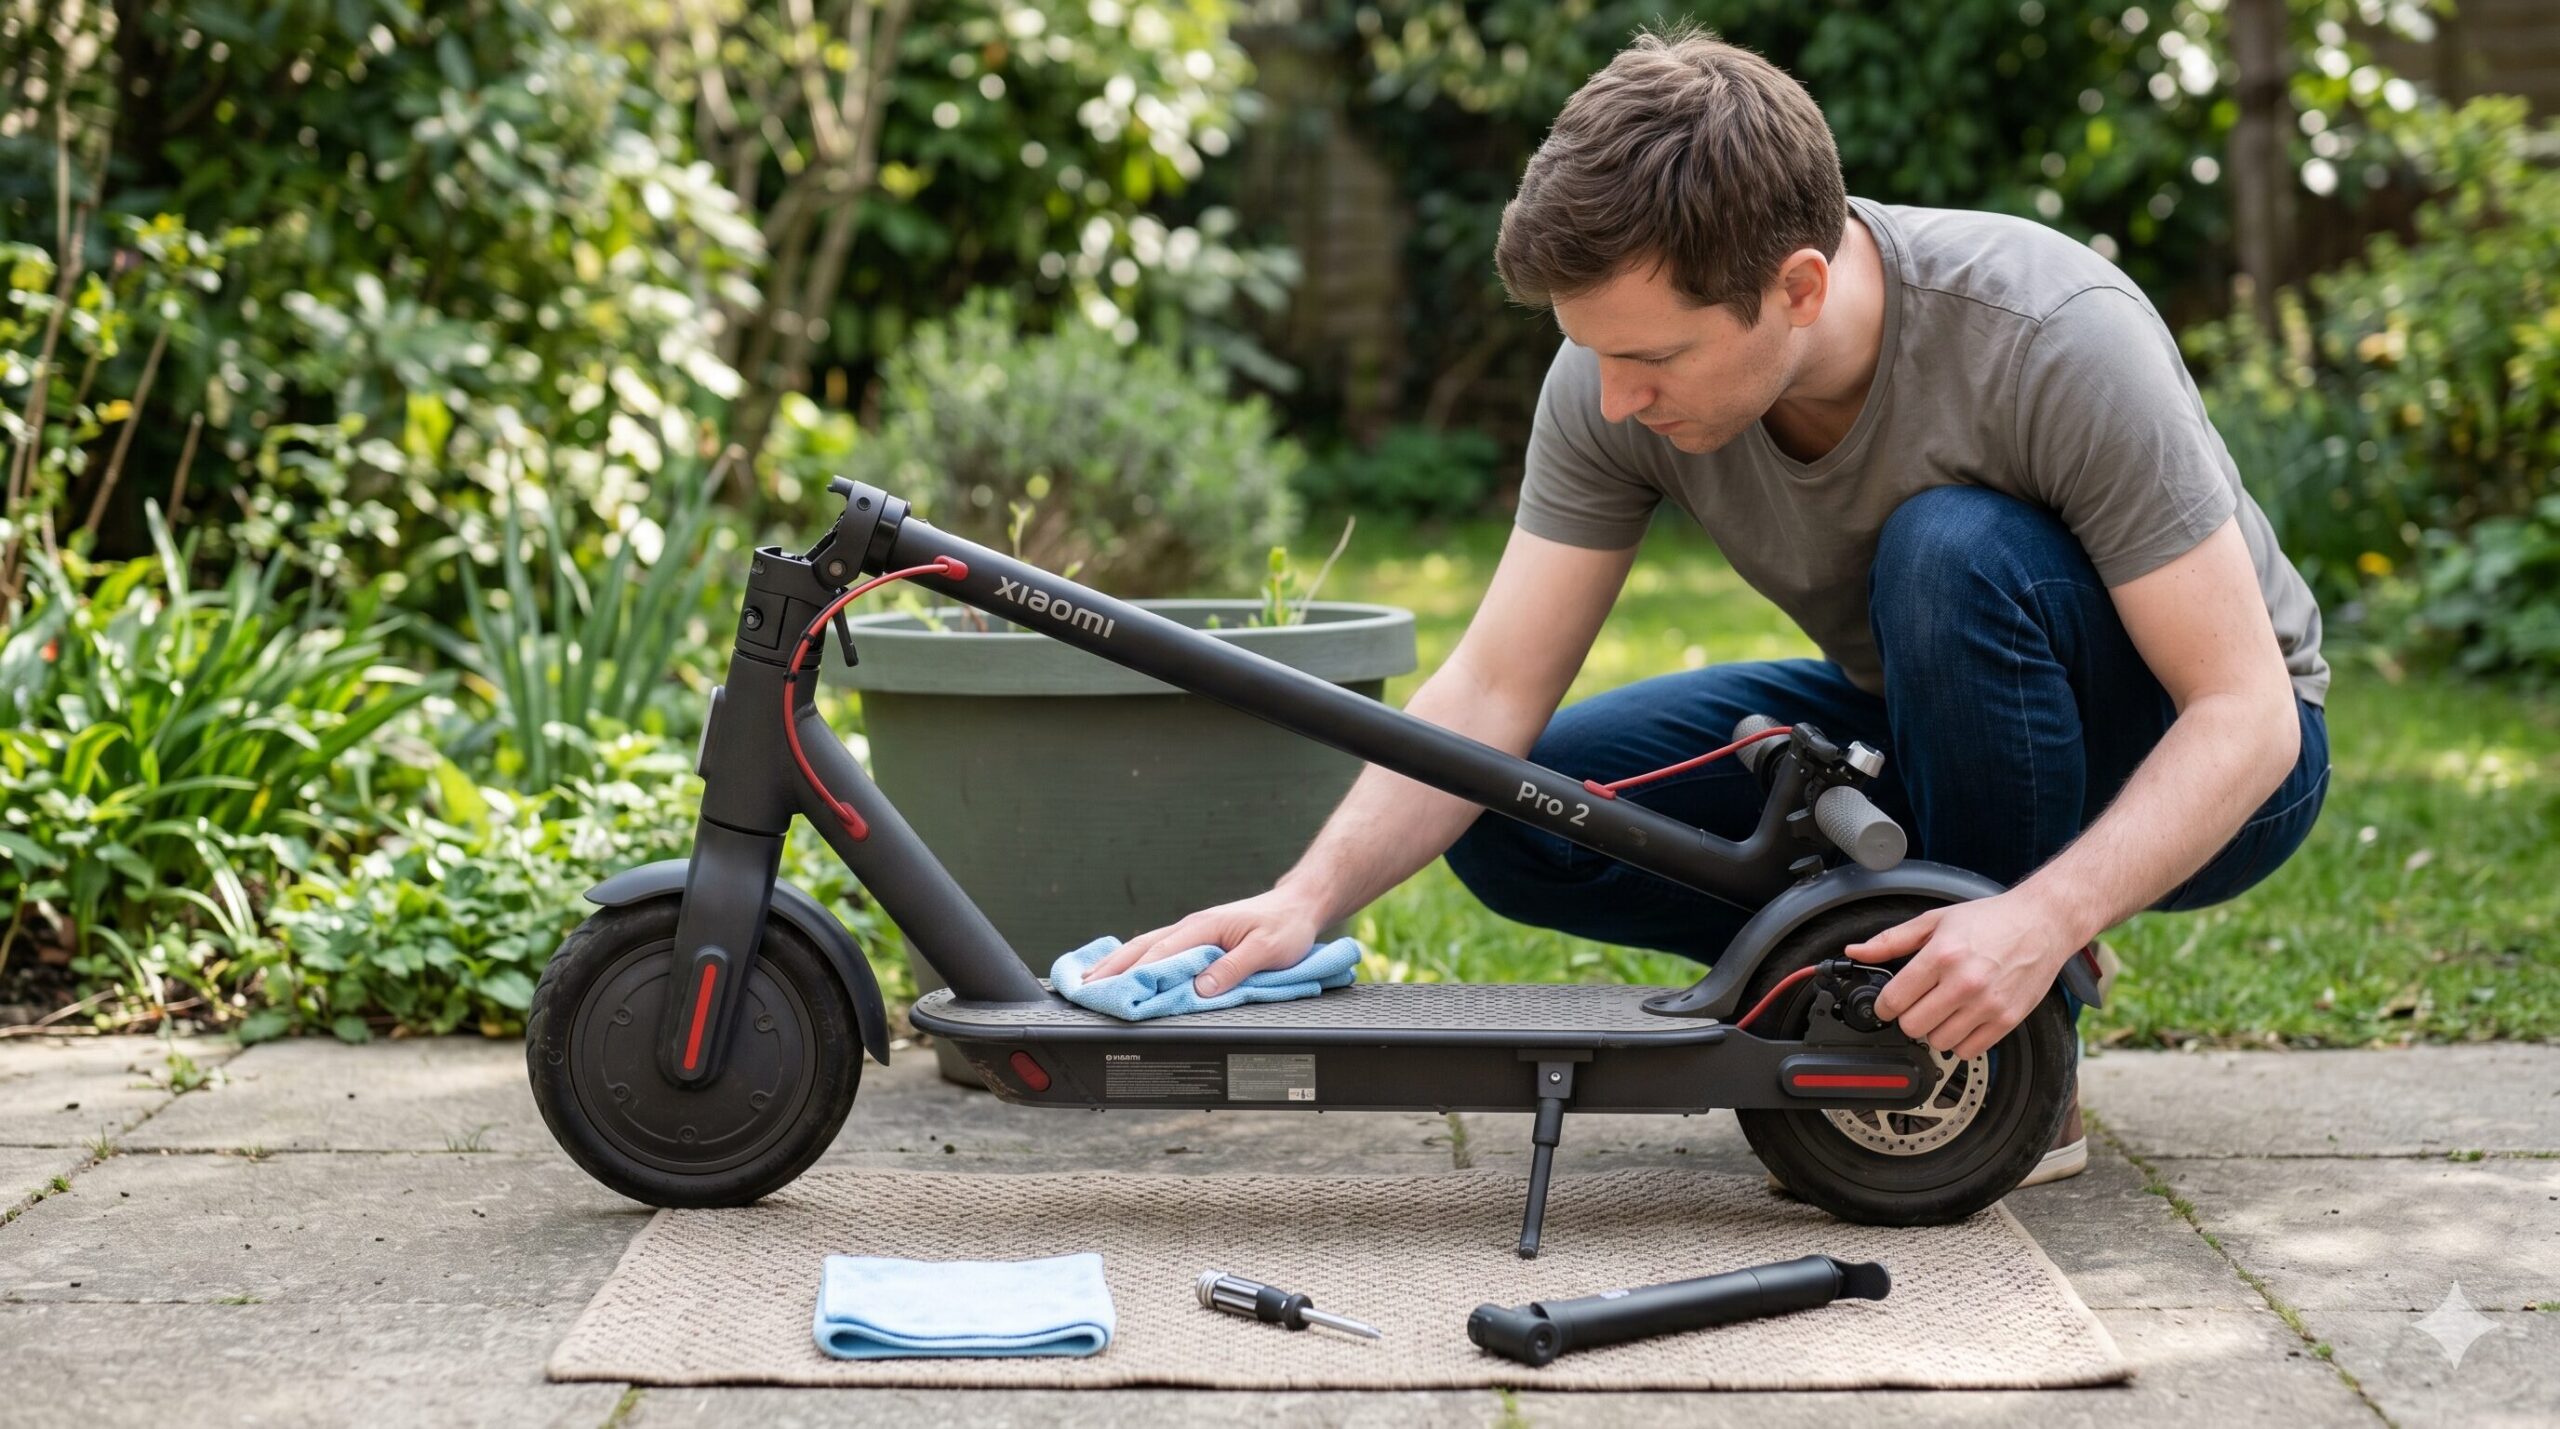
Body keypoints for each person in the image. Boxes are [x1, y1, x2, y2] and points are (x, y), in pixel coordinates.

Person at [1085, 25, 2332, 1189]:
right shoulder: (1610, 377)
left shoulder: (2049, 335)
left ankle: (2004, 1057)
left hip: (2208, 757)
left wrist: (2046, 911)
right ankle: (1882, 963)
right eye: (1596, 353)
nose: (1614, 398)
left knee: (1947, 548)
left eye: (1653, 358)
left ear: (1798, 287)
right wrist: (1305, 899)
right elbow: (1493, 686)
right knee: (1520, 808)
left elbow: (2246, 713)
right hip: (1923, 713)